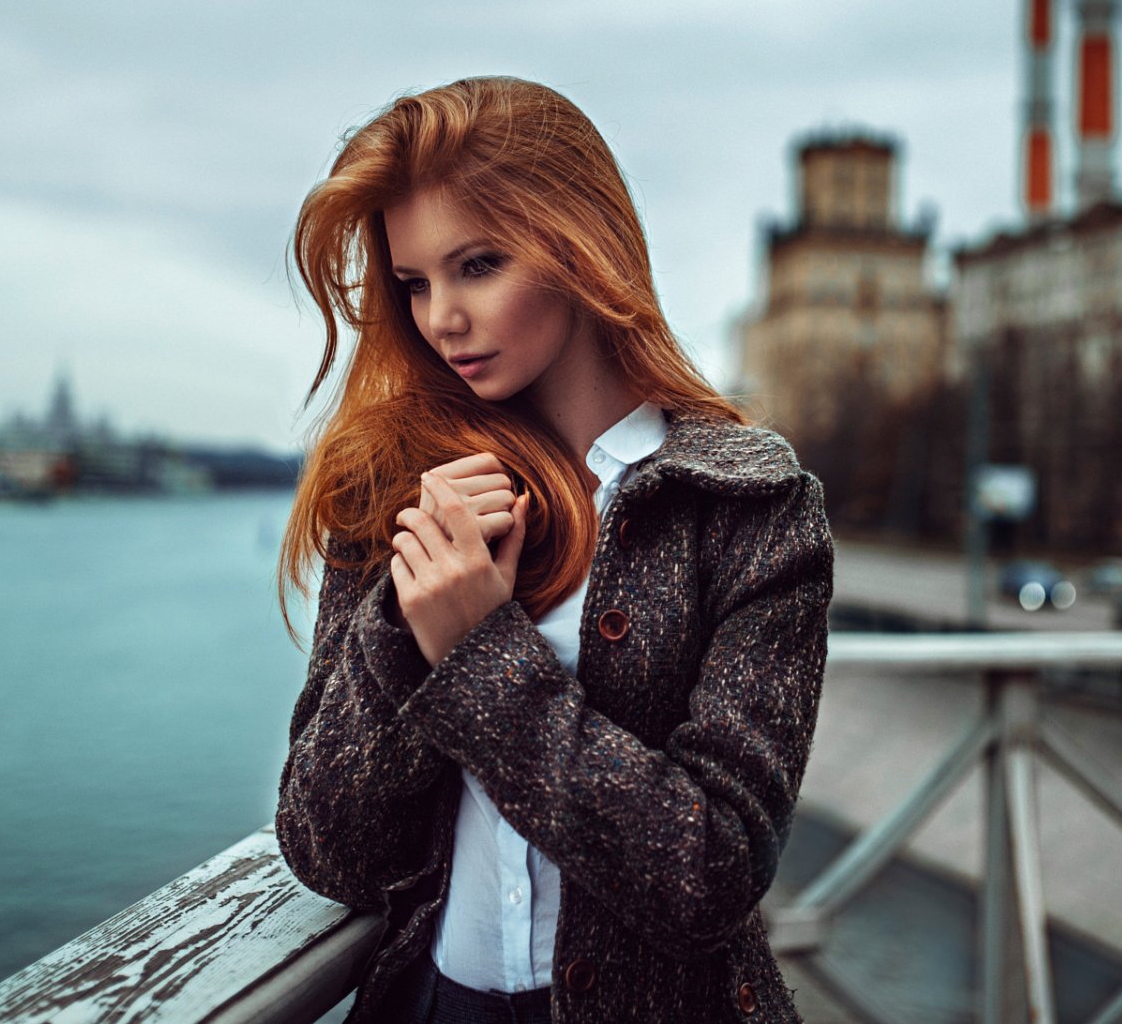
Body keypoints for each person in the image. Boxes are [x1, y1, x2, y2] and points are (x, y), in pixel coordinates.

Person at [274, 77, 835, 1023]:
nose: (440, 317)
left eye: (479, 265)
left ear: (582, 245)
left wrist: (478, 654)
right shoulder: (397, 488)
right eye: (414, 282)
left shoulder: (749, 506)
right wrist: (406, 629)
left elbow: (711, 869)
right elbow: (328, 846)